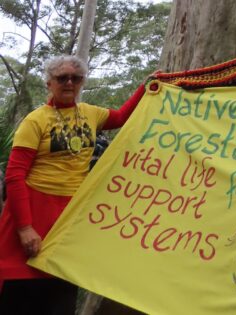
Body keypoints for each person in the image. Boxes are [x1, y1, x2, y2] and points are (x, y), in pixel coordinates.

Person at [0, 55, 148, 314]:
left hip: (69, 213)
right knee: (19, 289)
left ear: (81, 83)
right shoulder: (36, 120)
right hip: (32, 208)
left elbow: (122, 117)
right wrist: (24, 228)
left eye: (76, 78)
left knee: (61, 285)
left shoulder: (91, 114)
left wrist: (146, 87)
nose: (69, 83)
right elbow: (14, 175)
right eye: (62, 78)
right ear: (49, 83)